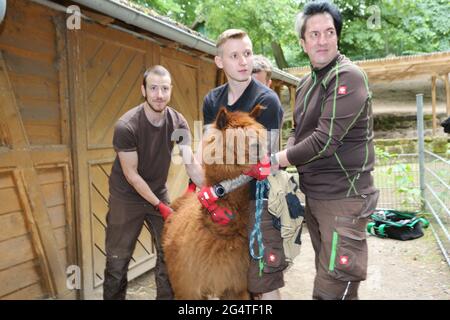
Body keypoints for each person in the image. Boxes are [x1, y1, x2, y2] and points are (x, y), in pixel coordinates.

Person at [271, 1, 379, 300]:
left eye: (329, 32)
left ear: (337, 37)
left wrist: (276, 160)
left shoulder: (348, 77)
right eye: (314, 34)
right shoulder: (306, 83)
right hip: (316, 197)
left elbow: (324, 139)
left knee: (333, 285)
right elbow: (298, 131)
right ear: (303, 43)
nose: (322, 40)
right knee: (332, 276)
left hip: (345, 198)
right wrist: (285, 154)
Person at [199, 29, 286, 300]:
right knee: (229, 281)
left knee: (265, 282)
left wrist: (220, 190)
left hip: (260, 202)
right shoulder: (212, 101)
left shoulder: (267, 101)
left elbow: (264, 165)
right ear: (219, 62)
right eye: (234, 55)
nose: (243, 61)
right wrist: (206, 191)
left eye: (247, 53)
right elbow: (208, 153)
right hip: (225, 205)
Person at [104, 65, 203, 300]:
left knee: (169, 253)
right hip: (126, 196)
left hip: (158, 191)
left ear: (170, 90)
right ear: (144, 90)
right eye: (154, 88)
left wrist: (211, 189)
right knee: (118, 262)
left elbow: (189, 163)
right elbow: (132, 176)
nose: (160, 94)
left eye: (165, 89)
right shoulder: (127, 126)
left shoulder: (178, 124)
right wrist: (161, 206)